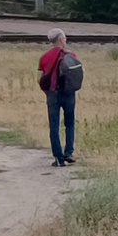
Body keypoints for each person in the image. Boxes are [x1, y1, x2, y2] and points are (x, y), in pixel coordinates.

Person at [37, 30, 83, 167]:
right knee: (70, 123)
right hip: (69, 94)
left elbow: (39, 79)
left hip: (53, 94)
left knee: (54, 125)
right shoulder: (71, 56)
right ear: (62, 40)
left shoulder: (44, 58)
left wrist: (47, 92)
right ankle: (69, 153)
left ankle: (58, 157)